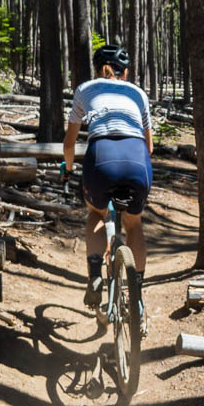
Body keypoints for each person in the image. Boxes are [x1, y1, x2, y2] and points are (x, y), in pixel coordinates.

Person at [62, 44, 153, 315]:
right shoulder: (138, 93)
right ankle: (137, 295)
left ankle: (95, 276)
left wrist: (68, 169)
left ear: (98, 69)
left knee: (96, 214)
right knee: (134, 224)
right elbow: (149, 147)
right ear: (125, 72)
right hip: (137, 159)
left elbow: (69, 144)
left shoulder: (85, 89)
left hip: (101, 157)